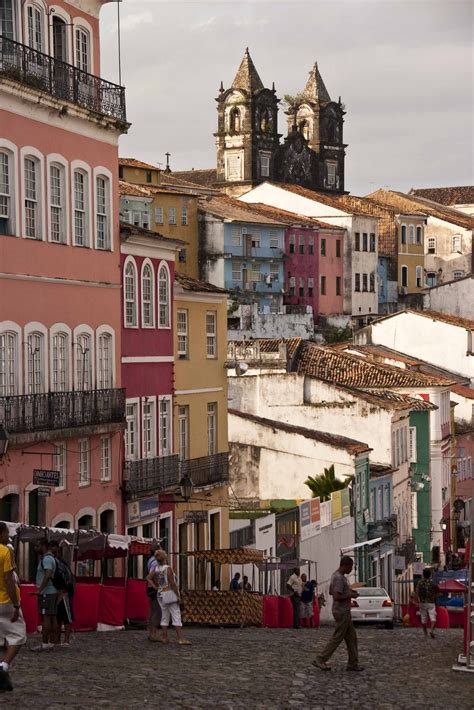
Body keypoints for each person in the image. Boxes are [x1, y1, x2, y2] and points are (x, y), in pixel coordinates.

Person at [313, 556, 363, 672]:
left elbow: (331, 591)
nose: (351, 569)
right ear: (345, 565)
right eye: (351, 567)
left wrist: (348, 592)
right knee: (337, 637)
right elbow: (336, 595)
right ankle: (321, 659)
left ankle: (353, 663)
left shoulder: (336, 576)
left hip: (344, 611)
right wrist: (350, 595)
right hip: (341, 611)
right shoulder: (339, 578)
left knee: (352, 638)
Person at [0, 522, 26, 693]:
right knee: (18, 635)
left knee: (1, 638)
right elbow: (9, 579)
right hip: (5, 601)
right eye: (6, 533)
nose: (8, 536)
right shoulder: (5, 551)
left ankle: (2, 681)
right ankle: (3, 666)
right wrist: (16, 603)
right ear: (1, 533)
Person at [147, 549, 190, 645]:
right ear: (165, 558)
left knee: (164, 615)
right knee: (176, 614)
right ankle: (180, 638)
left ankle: (164, 637)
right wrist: (178, 596)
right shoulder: (168, 568)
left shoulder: (156, 568)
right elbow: (172, 583)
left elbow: (148, 578)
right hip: (170, 593)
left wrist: (155, 586)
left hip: (160, 594)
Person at [31, 538, 58, 652]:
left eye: (37, 546)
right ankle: (52, 642)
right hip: (52, 592)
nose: (35, 548)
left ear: (43, 546)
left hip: (47, 592)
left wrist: (39, 590)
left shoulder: (46, 559)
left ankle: (45, 643)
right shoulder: (51, 558)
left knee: (46, 618)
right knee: (52, 617)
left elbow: (47, 575)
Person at [48, 541, 75, 647]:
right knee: (58, 617)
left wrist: (63, 590)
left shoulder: (60, 562)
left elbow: (65, 578)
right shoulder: (54, 561)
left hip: (63, 592)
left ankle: (66, 640)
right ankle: (57, 639)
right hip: (56, 592)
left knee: (66, 617)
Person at [415, 568, 438, 638]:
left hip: (422, 602)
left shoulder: (420, 583)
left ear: (423, 575)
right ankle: (431, 630)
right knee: (433, 617)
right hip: (431, 602)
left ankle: (425, 633)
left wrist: (417, 601)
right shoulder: (433, 583)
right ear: (430, 575)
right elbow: (436, 591)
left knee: (423, 617)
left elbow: (417, 592)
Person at [146, 543, 161, 641]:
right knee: (156, 611)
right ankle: (153, 634)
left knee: (152, 610)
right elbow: (151, 575)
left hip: (150, 588)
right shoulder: (155, 562)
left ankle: (151, 633)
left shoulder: (150, 560)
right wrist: (156, 586)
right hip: (154, 588)